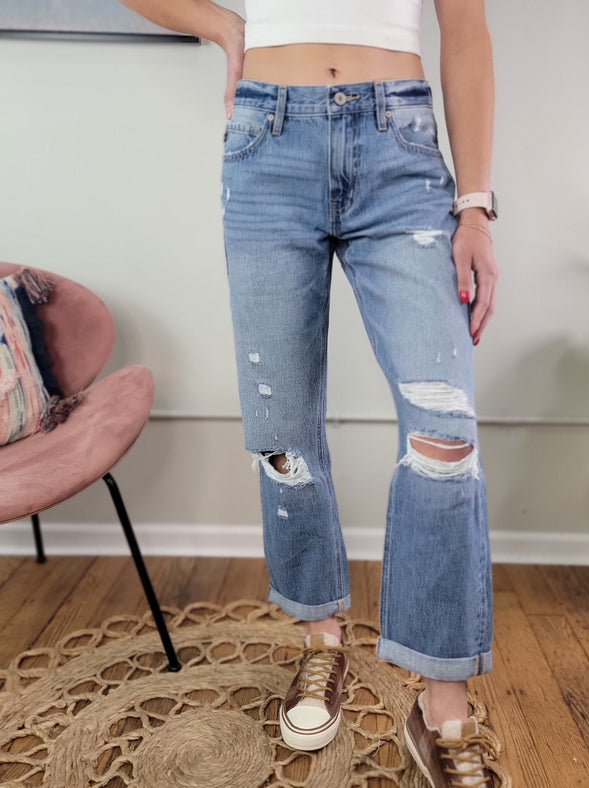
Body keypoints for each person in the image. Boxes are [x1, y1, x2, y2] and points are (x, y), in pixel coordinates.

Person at [120, 0, 500, 784]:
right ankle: (321, 641)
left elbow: (465, 31)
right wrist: (225, 26)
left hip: (401, 146)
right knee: (283, 430)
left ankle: (443, 705)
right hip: (268, 144)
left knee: (446, 439)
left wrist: (475, 204)